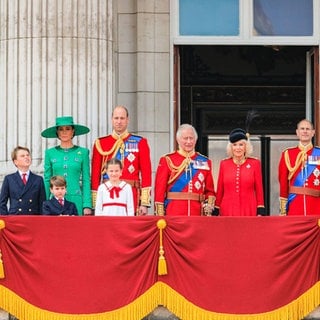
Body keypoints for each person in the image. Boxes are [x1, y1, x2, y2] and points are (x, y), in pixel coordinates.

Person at [91, 105, 152, 215]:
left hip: (132, 194)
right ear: (112, 119)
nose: (119, 121)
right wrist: (95, 202)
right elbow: (95, 175)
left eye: (122, 118)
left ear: (127, 120)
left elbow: (146, 173)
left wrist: (144, 202)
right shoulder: (101, 143)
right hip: (107, 195)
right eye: (116, 118)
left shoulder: (140, 142)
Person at [154, 124, 215, 216]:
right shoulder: (167, 160)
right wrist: (160, 215)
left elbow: (210, 190)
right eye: (185, 138)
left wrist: (209, 205)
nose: (189, 141)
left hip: (197, 213)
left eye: (191, 138)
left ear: (196, 140)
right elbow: (159, 190)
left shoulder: (205, 161)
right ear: (178, 140)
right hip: (174, 212)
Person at [41, 116, 92, 216]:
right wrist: (45, 202)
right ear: (57, 133)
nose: (64, 132)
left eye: (67, 129)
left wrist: (87, 204)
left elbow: (86, 179)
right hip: (55, 201)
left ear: (73, 131)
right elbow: (47, 179)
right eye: (61, 129)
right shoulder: (50, 153)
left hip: (76, 198)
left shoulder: (83, 152)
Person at [214, 128, 265, 216]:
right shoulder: (224, 164)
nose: (238, 148)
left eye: (241, 145)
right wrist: (216, 208)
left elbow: (259, 189)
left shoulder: (255, 163)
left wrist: (260, 209)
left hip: (249, 208)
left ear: (246, 147)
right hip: (228, 209)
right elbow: (220, 190)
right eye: (235, 145)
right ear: (231, 147)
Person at [278, 119, 320, 216]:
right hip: (295, 205)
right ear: (297, 132)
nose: (305, 131)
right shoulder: (288, 154)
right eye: (302, 129)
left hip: (316, 206)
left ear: (313, 133)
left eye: (308, 129)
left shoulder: (319, 153)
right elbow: (283, 182)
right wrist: (283, 209)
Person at [0, 146, 46, 215]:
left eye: (28, 155)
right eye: (22, 156)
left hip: (33, 218)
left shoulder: (38, 179)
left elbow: (42, 203)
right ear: (15, 161)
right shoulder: (9, 179)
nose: (26, 157)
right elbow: (2, 202)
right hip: (15, 218)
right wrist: (6, 219)